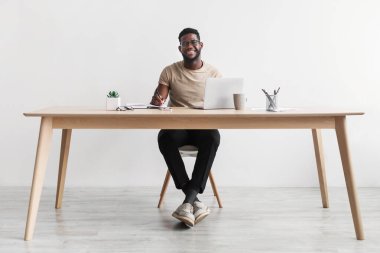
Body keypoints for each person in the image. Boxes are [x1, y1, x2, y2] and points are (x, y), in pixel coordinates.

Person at [150, 28, 222, 227]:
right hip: (178, 128)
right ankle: (193, 200)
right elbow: (158, 100)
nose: (189, 46)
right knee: (164, 137)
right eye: (184, 43)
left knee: (213, 138)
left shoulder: (213, 73)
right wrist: (157, 100)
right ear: (179, 47)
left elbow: (221, 105)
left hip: (203, 128)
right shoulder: (170, 70)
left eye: (193, 42)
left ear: (201, 45)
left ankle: (187, 202)